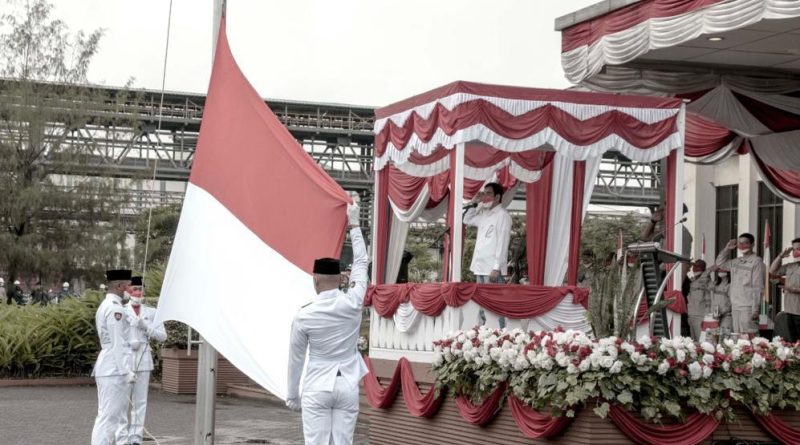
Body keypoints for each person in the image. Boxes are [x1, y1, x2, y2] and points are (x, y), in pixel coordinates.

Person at [286, 201, 368, 445]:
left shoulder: (304, 315)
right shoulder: (353, 301)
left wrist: (292, 395)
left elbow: (296, 358)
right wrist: (354, 224)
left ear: (315, 281)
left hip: (317, 385)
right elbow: (362, 263)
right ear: (341, 278)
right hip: (347, 385)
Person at [91, 269, 135, 445]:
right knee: (109, 418)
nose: (130, 290)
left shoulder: (109, 305)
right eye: (128, 285)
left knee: (109, 417)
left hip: (110, 366)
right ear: (118, 286)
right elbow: (117, 343)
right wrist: (126, 371)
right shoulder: (115, 308)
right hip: (113, 368)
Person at [123, 276, 166, 445]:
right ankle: (121, 436)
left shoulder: (151, 312)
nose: (137, 293)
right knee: (122, 400)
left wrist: (146, 327)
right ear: (127, 291)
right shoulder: (120, 310)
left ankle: (135, 438)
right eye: (134, 289)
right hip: (125, 358)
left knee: (140, 401)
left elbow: (163, 336)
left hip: (143, 358)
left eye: (140, 289)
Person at [715, 233, 765, 335]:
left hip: (748, 306)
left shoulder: (756, 261)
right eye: (740, 243)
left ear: (752, 244)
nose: (742, 246)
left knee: (749, 337)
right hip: (735, 305)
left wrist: (755, 309)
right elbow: (720, 263)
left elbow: (757, 286)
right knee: (737, 337)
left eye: (746, 243)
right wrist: (727, 249)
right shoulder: (736, 262)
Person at [464, 183, 512, 284]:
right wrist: (474, 203)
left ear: (497, 197)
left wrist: (496, 268)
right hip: (480, 267)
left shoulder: (503, 215)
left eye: (488, 194)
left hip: (492, 270)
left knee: (494, 299)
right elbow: (467, 220)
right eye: (484, 194)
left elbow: (502, 243)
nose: (484, 197)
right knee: (480, 299)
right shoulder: (485, 214)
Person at [770, 238, 800, 341]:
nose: (796, 252)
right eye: (794, 250)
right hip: (789, 309)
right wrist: (780, 256)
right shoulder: (791, 266)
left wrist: (790, 288)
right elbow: (772, 271)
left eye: (799, 249)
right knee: (793, 341)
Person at [686, 260, 712, 340]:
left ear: (703, 268)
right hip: (691, 315)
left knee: (702, 341)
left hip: (700, 316)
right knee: (694, 342)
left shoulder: (706, 281)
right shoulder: (694, 281)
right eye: (694, 266)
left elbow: (709, 300)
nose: (694, 268)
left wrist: (706, 318)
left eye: (698, 266)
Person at [709, 267, 733, 335]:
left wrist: (722, 311)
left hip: (727, 316)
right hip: (715, 317)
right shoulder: (715, 284)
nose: (720, 271)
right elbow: (704, 281)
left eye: (723, 268)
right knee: (713, 340)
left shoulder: (730, 285)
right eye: (719, 269)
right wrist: (710, 270)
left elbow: (732, 302)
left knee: (724, 338)